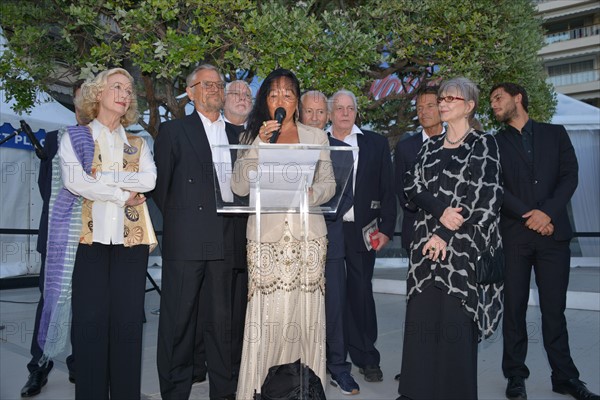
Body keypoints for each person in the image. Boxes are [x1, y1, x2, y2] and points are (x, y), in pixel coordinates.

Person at [37, 67, 157, 399]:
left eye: (130, 90)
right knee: (89, 329)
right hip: (86, 246)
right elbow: (76, 182)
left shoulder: (138, 143)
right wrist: (121, 193)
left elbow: (149, 181)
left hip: (130, 246)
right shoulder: (73, 137)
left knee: (128, 329)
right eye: (117, 86)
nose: (125, 94)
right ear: (97, 94)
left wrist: (103, 179)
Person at [490, 82, 599, 400]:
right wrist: (531, 215)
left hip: (554, 235)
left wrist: (547, 214)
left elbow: (570, 175)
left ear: (518, 98)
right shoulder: (493, 144)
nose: (494, 104)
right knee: (514, 309)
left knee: (554, 311)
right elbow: (495, 187)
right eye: (492, 100)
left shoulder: (556, 134)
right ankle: (515, 376)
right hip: (515, 237)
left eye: (499, 98)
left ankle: (565, 377)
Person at [231, 68, 335, 398]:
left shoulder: (316, 136)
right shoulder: (252, 137)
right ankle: (259, 390)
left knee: (306, 318)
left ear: (296, 101)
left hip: (308, 238)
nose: (281, 100)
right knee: (267, 319)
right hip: (267, 240)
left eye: (288, 94)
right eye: (274, 94)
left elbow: (329, 184)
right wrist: (260, 143)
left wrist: (311, 195)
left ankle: (306, 392)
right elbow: (238, 185)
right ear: (265, 100)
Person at [397, 77, 503, 399]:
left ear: (469, 106)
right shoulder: (428, 146)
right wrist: (441, 211)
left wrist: (443, 232)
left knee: (456, 331)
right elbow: (411, 186)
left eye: (450, 99)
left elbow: (484, 200)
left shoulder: (484, 145)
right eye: (441, 99)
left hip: (462, 255)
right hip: (423, 254)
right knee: (422, 328)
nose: (442, 104)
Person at [154, 64, 247, 400]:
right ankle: (175, 391)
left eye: (218, 84)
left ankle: (223, 392)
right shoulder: (173, 131)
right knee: (178, 323)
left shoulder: (240, 136)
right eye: (205, 84)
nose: (214, 89)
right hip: (187, 239)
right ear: (190, 92)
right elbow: (161, 190)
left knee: (222, 327)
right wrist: (185, 223)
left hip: (226, 242)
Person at [20, 80, 87, 398]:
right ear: (74, 104)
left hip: (91, 241)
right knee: (51, 303)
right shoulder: (53, 139)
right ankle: (39, 366)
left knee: (86, 305)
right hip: (60, 238)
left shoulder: (109, 144)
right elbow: (47, 190)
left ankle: (80, 363)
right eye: (80, 99)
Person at [326, 89, 396, 383]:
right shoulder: (317, 142)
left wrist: (388, 231)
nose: (344, 112)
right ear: (330, 113)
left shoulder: (375, 144)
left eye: (350, 108)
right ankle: (331, 357)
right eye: (339, 108)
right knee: (330, 295)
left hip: (362, 230)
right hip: (327, 229)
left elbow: (387, 190)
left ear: (356, 112)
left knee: (361, 294)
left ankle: (367, 356)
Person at [300, 89, 359, 395]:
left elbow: (346, 195)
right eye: (309, 111)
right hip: (292, 242)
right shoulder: (287, 147)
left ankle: (338, 368)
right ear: (301, 113)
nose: (314, 117)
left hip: (330, 238)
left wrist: (315, 207)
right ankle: (298, 367)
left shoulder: (341, 151)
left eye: (320, 112)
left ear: (327, 116)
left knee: (334, 308)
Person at [193, 78, 252, 386]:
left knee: (241, 303)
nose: (242, 98)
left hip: (249, 234)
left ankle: (237, 365)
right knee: (213, 306)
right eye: (236, 93)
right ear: (224, 101)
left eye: (247, 94)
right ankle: (204, 364)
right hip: (214, 235)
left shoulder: (257, 137)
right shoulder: (212, 134)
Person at [394, 85, 444, 256]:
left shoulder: (458, 142)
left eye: (430, 106)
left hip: (452, 231)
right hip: (416, 229)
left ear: (441, 107)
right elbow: (401, 191)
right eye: (419, 108)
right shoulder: (405, 147)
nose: (424, 112)